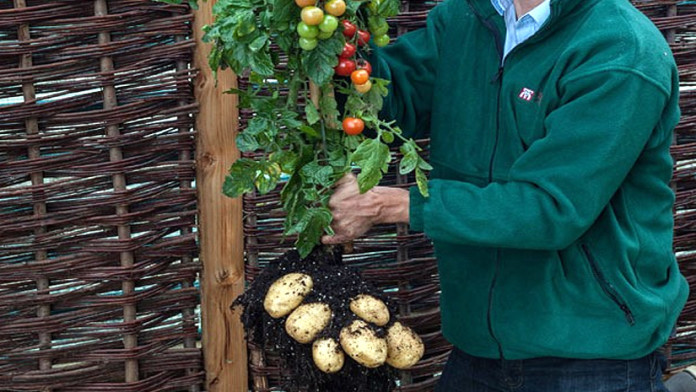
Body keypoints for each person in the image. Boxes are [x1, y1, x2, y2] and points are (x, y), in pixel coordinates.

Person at [321, 0, 691, 390]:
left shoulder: (620, 49)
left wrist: (391, 204)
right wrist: (333, 37)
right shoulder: (466, 17)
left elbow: (551, 208)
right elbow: (384, 100)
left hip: (590, 356)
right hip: (477, 350)